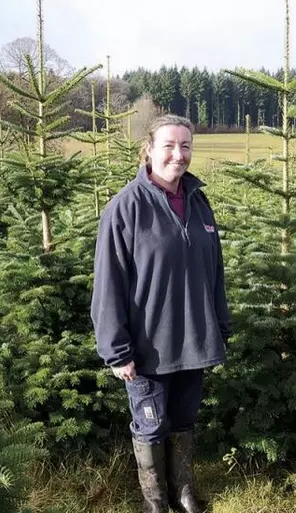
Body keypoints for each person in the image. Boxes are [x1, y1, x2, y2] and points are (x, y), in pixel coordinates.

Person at [91, 114, 231, 513]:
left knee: (184, 420)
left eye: (186, 145)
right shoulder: (125, 208)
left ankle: (184, 494)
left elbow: (215, 272)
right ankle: (157, 505)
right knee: (151, 427)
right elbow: (108, 284)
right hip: (148, 350)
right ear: (149, 149)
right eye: (169, 145)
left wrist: (220, 325)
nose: (178, 154)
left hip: (195, 342)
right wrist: (117, 351)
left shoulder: (199, 203)